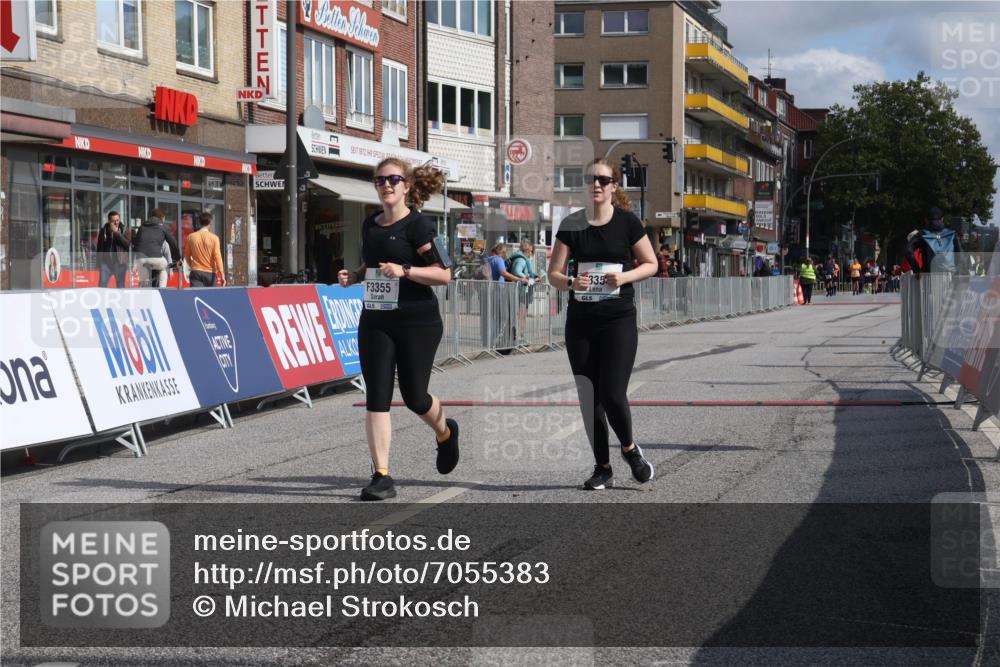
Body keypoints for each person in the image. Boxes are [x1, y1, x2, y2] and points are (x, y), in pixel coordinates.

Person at [337, 158, 458, 501]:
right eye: (380, 180)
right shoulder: (370, 224)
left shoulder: (419, 226)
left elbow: (444, 274)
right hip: (376, 319)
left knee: (415, 397)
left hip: (417, 321)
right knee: (377, 395)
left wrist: (405, 270)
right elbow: (373, 262)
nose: (386, 185)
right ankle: (381, 475)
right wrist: (355, 275)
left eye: (393, 179)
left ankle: (446, 432)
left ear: (406, 186)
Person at [547, 158, 658, 490]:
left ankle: (630, 449)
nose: (595, 184)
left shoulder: (627, 223)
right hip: (581, 321)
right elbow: (553, 273)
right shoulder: (572, 224)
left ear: (614, 186)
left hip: (617, 319)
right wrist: (571, 282)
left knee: (612, 393)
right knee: (589, 396)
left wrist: (624, 277)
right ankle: (603, 468)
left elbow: (651, 263)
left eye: (603, 180)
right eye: (590, 179)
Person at [905, 206, 964, 276]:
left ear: (926, 220)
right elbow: (960, 255)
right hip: (949, 275)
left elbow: (908, 251)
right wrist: (957, 272)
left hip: (928, 275)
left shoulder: (922, 234)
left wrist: (916, 270)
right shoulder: (952, 234)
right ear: (942, 219)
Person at [132, 208, 180, 288]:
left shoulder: (141, 227)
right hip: (155, 259)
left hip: (140, 259)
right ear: (162, 217)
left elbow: (136, 245)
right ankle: (162, 289)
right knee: (165, 266)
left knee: (144, 278)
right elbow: (173, 243)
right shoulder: (162, 227)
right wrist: (178, 258)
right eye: (164, 218)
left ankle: (144, 289)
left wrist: (134, 263)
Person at [508, 239, 539, 345]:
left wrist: (534, 276)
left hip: (521, 289)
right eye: (530, 251)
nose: (531, 254)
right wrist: (528, 278)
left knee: (522, 314)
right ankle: (519, 337)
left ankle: (520, 336)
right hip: (521, 290)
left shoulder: (521, 258)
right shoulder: (521, 259)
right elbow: (517, 271)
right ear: (527, 249)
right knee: (522, 315)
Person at [185, 212, 226, 287]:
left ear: (199, 222)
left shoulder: (191, 237)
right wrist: (222, 274)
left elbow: (187, 255)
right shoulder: (214, 238)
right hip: (210, 273)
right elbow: (217, 256)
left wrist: (193, 266)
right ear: (210, 223)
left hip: (196, 272)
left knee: (197, 294)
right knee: (210, 294)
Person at [96, 211, 131, 288]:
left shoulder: (124, 229)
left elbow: (128, 244)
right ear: (109, 221)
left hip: (120, 263)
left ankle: (121, 296)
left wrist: (116, 233)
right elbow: (99, 247)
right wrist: (98, 263)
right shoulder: (104, 230)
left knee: (120, 284)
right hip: (106, 263)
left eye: (117, 220)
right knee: (102, 284)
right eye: (113, 221)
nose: (116, 223)